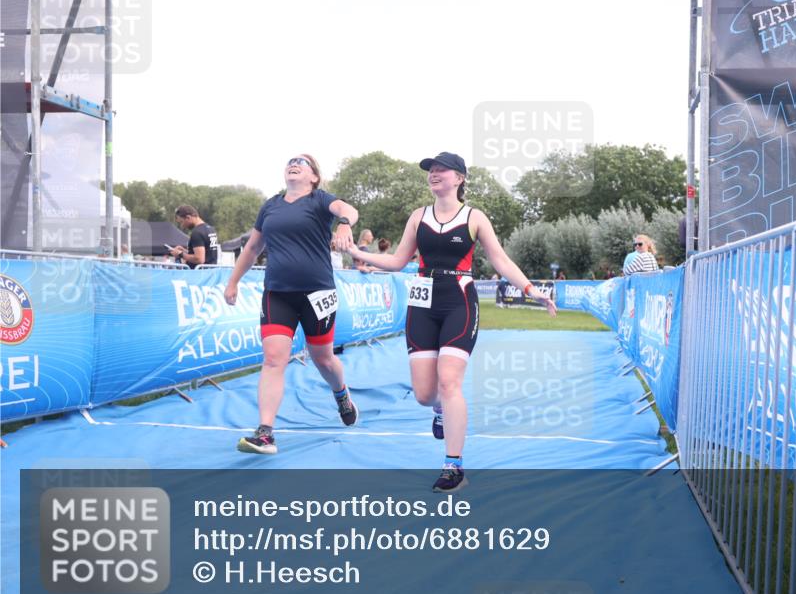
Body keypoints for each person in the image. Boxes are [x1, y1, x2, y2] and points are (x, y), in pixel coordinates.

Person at [348, 151, 557, 492]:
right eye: (431, 169)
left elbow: (501, 261)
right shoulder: (418, 216)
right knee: (424, 394)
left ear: (459, 178)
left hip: (459, 301)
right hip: (422, 303)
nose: (433, 173)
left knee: (449, 383)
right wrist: (358, 254)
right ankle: (439, 411)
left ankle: (453, 465)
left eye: (441, 169)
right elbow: (399, 260)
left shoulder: (474, 217)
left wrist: (532, 290)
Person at [224, 153, 361, 454]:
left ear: (314, 177)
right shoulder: (270, 206)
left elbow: (348, 209)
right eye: (290, 162)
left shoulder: (320, 200)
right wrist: (233, 281)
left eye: (303, 163)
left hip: (317, 294)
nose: (294, 164)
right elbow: (252, 248)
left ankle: (341, 395)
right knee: (274, 359)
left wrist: (343, 224)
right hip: (278, 293)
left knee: (323, 359)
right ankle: (265, 433)